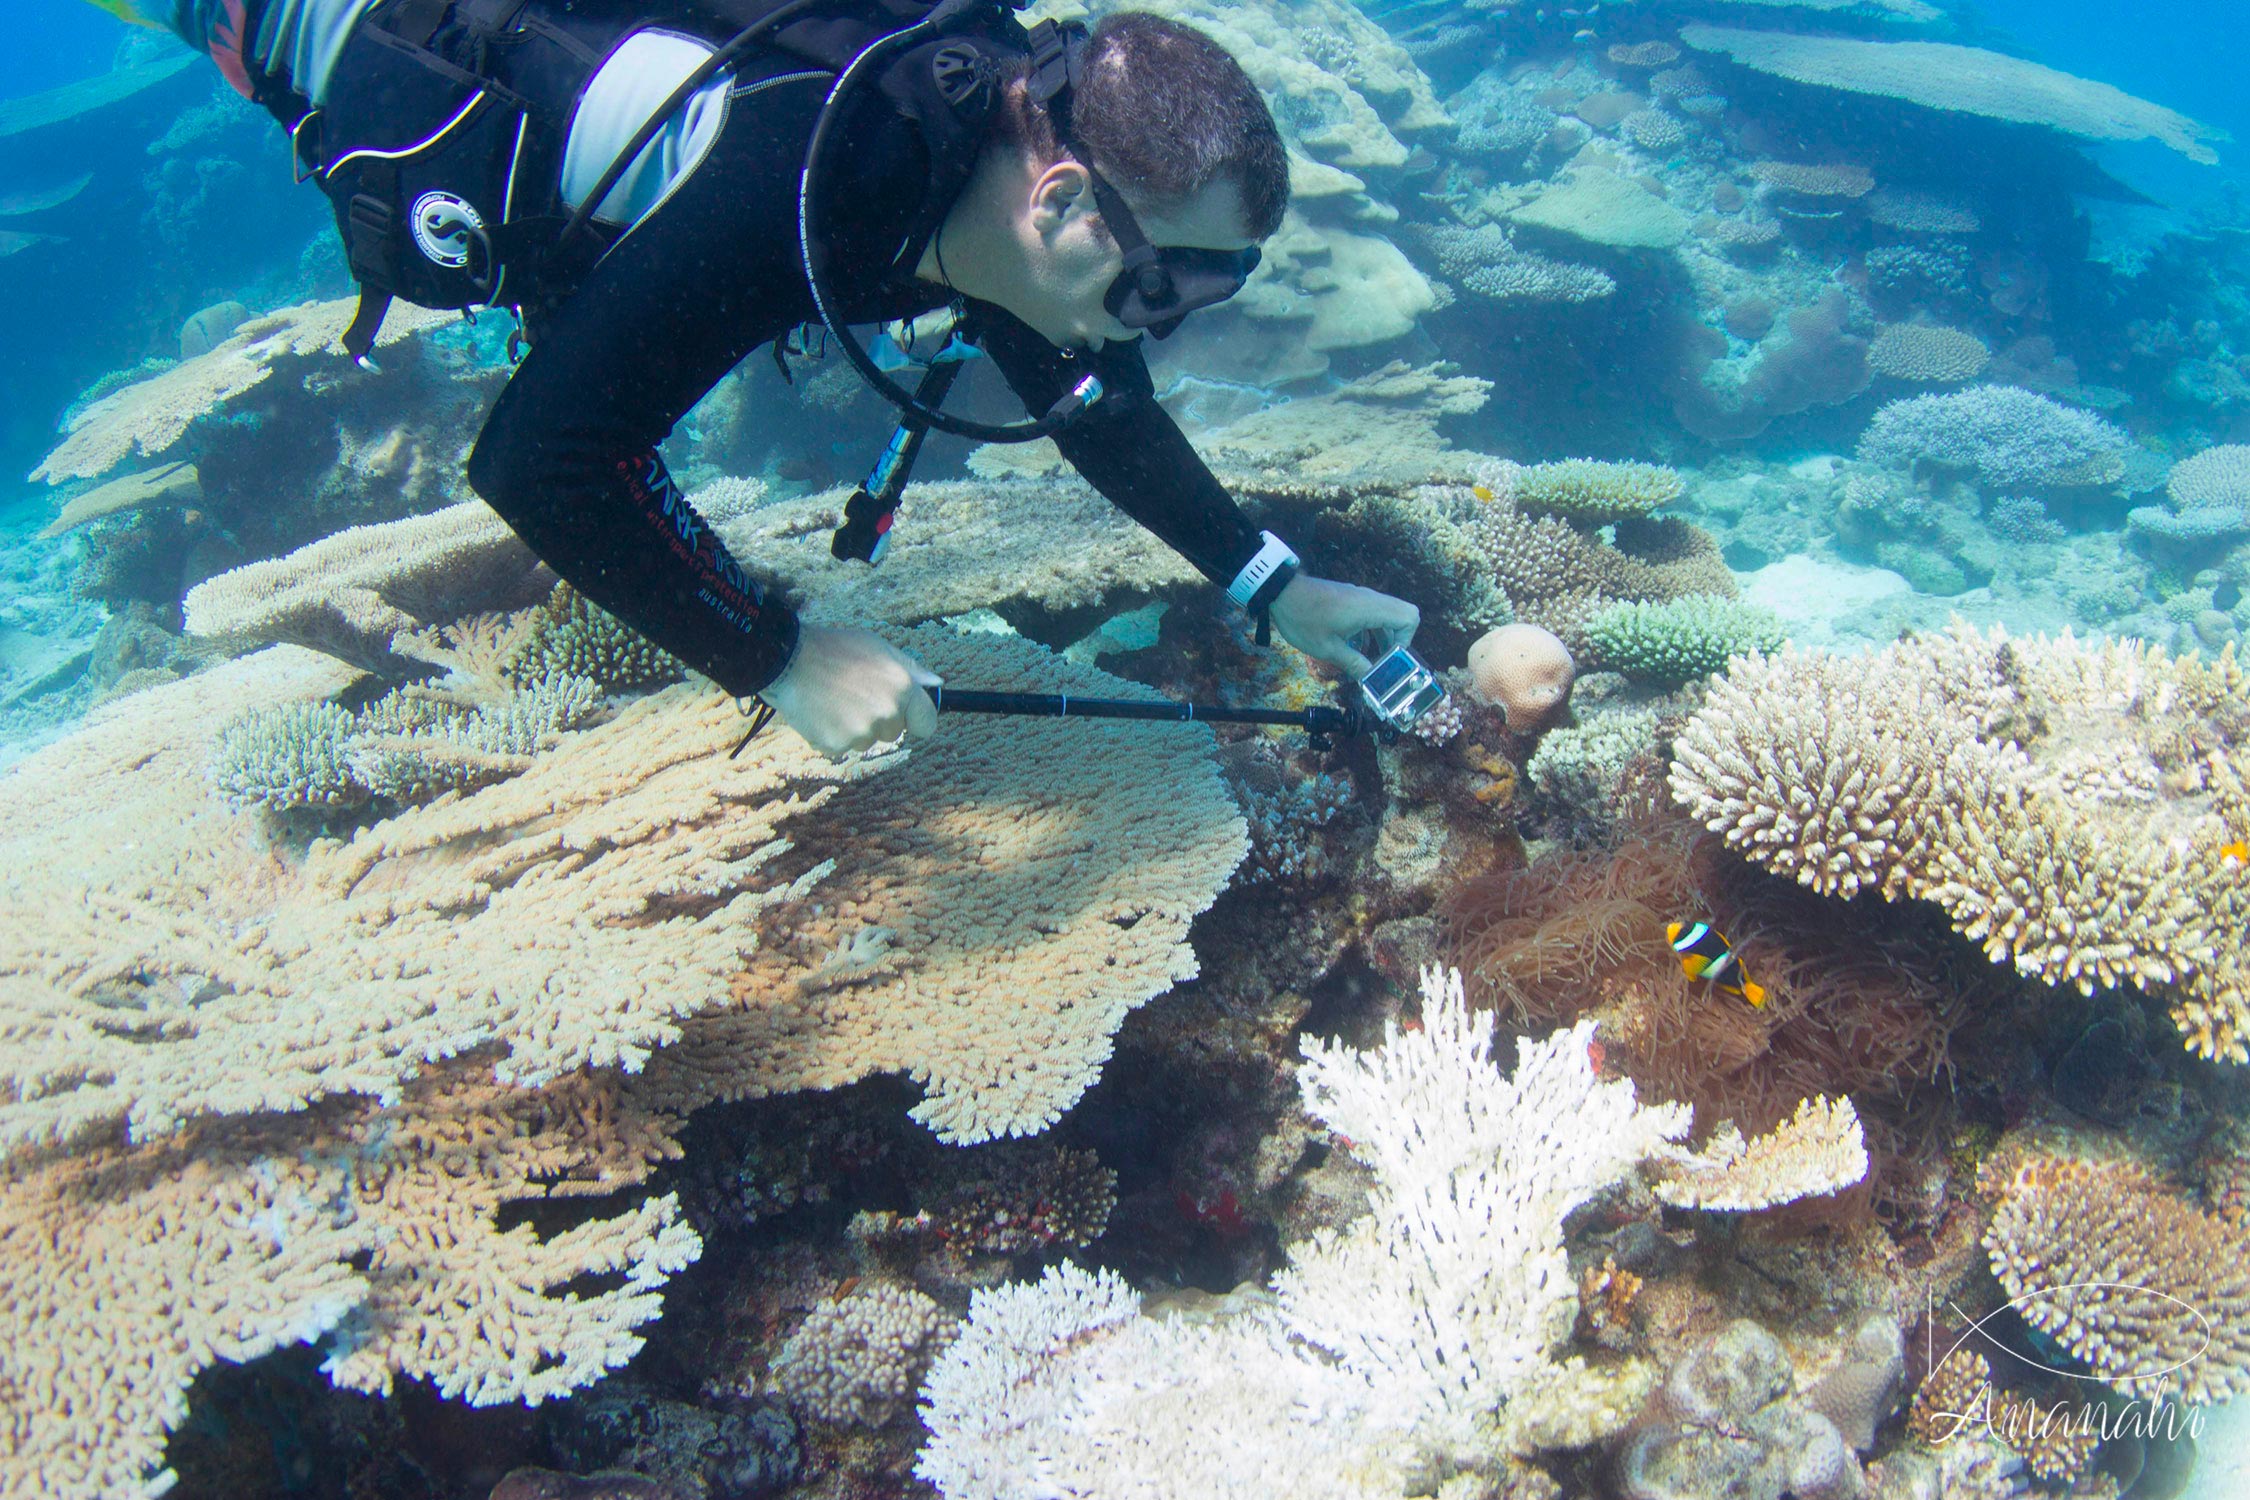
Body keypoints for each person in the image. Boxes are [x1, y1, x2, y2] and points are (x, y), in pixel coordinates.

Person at [127, 0, 1422, 755]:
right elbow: (541, 459)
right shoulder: (805, 178)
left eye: (1215, 287)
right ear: (1065, 196)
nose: (1166, 326)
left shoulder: (992, 124)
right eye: (1168, 284)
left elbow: (1089, 399)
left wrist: (1276, 586)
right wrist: (780, 657)